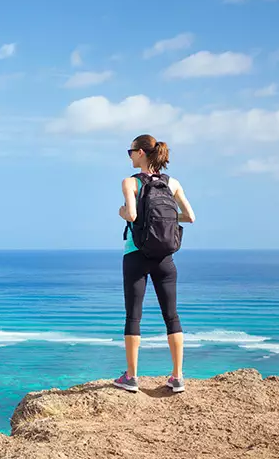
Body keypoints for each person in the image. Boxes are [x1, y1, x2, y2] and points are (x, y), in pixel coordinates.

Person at [113, 134, 195, 394]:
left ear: (140, 153)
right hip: (165, 258)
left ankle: (132, 377)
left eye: (131, 151)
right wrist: (169, 219)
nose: (129, 156)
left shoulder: (130, 182)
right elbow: (190, 217)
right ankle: (177, 376)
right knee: (171, 315)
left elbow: (133, 214)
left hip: (136, 255)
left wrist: (123, 212)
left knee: (133, 316)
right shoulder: (172, 183)